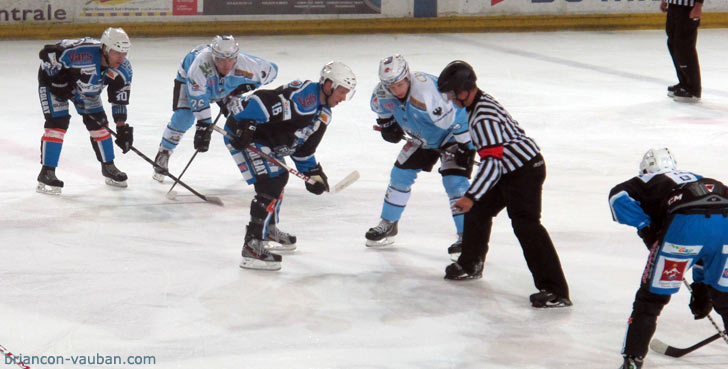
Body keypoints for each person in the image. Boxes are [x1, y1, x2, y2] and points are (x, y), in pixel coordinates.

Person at [436, 60, 571, 308]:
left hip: (525, 172)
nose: (451, 100)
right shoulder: (478, 105)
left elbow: (493, 164)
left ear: (464, 90)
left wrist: (471, 195)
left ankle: (556, 290)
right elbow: (494, 153)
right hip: (510, 169)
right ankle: (470, 264)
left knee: (526, 226)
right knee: (479, 212)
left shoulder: (482, 117)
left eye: (452, 94)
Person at [222, 61, 356, 271]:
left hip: (266, 140)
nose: (343, 98)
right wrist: (245, 124)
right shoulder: (305, 98)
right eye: (341, 91)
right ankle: (252, 247)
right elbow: (262, 100)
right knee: (272, 181)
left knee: (279, 177)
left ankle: (268, 229)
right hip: (244, 134)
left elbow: (302, 149)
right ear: (328, 85)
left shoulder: (323, 113)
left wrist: (314, 173)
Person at [609, 148, 728, 369]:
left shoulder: (643, 180)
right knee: (726, 295)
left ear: (645, 169)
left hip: (684, 228)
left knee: (651, 299)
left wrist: (646, 227)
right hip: (725, 220)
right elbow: (706, 242)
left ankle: (632, 361)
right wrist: (701, 285)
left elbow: (617, 198)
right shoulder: (695, 176)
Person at [364, 54, 474, 260]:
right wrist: (388, 127)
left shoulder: (426, 93)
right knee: (399, 175)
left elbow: (459, 116)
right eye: (390, 86)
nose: (395, 91)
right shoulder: (381, 94)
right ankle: (388, 224)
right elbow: (384, 114)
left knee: (455, 182)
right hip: (421, 137)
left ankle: (467, 237)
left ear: (407, 77)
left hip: (452, 135)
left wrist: (466, 147)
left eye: (398, 84)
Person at [152, 35, 278, 182]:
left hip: (226, 86)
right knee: (184, 117)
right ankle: (164, 152)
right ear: (213, 57)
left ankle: (254, 160)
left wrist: (244, 87)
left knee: (241, 122)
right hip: (190, 81)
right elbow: (198, 97)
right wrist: (204, 127)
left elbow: (272, 71)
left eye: (230, 60)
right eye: (220, 60)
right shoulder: (199, 66)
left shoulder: (247, 64)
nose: (226, 65)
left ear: (236, 57)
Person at [36, 27, 134, 195]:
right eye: (117, 52)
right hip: (54, 84)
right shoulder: (82, 53)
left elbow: (119, 99)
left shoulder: (124, 70)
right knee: (57, 124)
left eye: (124, 53)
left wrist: (122, 127)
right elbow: (47, 53)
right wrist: (57, 80)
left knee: (100, 125)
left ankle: (108, 166)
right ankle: (47, 172)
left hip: (88, 90)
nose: (121, 58)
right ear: (104, 49)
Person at [662, 0, 704, 102]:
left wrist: (698, 6)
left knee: (684, 47)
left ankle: (693, 89)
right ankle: (684, 83)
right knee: (673, 44)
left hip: (688, 8)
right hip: (673, 5)